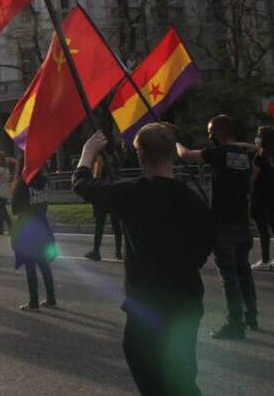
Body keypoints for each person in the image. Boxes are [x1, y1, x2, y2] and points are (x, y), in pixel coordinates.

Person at [75, 126, 216, 396]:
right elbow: (205, 246)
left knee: (153, 383)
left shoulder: (132, 193)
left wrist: (87, 154)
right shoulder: (194, 200)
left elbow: (83, 185)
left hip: (147, 309)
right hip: (185, 303)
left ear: (140, 155)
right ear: (172, 154)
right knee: (183, 380)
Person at [178, 114, 261, 339]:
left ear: (219, 132)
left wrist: (175, 141)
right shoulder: (245, 154)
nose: (210, 136)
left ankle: (235, 323)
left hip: (223, 223)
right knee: (244, 272)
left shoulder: (219, 153)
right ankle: (251, 315)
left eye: (211, 132)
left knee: (229, 276)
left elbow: (187, 155)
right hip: (243, 221)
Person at [10, 158, 56, 310]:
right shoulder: (43, 181)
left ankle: (34, 302)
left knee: (30, 268)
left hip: (28, 231)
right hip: (42, 227)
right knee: (44, 265)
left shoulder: (24, 184)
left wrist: (20, 184)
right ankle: (51, 299)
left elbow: (15, 209)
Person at [252, 127, 274, 270]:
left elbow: (253, 177)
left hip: (261, 194)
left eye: (258, 136)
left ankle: (265, 259)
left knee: (263, 228)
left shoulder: (260, 157)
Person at [84, 158, 124, 262]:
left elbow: (97, 176)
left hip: (103, 193)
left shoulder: (100, 157)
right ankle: (118, 252)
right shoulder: (113, 155)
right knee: (116, 225)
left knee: (100, 223)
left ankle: (96, 251)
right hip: (115, 192)